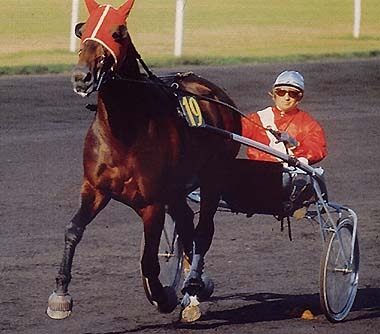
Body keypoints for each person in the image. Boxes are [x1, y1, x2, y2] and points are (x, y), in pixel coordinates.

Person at [241, 70, 327, 219]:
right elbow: (235, 131)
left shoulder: (307, 123)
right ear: (274, 95)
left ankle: (299, 201)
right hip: (259, 174)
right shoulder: (257, 119)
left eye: (292, 93)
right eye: (281, 92)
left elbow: (318, 148)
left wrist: (294, 144)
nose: (286, 97)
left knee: (303, 177)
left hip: (287, 177)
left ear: (299, 97)